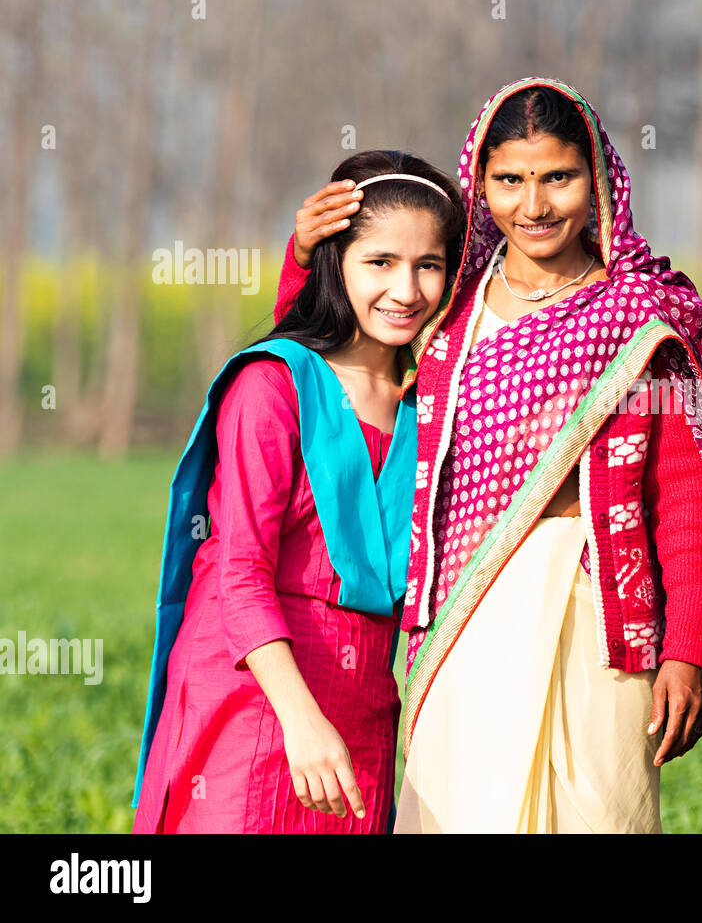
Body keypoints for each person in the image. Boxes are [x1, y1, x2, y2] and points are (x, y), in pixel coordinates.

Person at [276, 77, 702, 833]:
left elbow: (686, 496)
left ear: (601, 179)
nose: (535, 204)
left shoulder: (647, 316)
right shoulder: (447, 304)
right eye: (510, 181)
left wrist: (688, 649)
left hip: (600, 614)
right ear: (479, 186)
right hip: (463, 608)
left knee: (597, 814)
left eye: (558, 177)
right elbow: (330, 345)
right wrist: (303, 253)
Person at [132, 150, 465, 833]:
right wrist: (301, 719)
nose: (405, 289)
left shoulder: (431, 407)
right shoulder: (273, 387)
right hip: (255, 690)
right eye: (379, 262)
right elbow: (240, 575)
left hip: (365, 699)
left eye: (428, 265)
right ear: (334, 261)